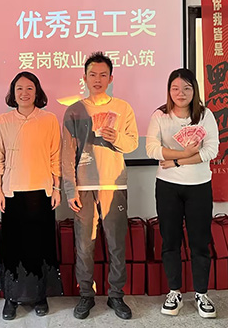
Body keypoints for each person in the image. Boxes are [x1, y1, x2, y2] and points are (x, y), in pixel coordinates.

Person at [62, 52, 138, 320]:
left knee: (116, 243)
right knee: (84, 245)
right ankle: (86, 294)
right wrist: (69, 188)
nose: (97, 79)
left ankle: (116, 295)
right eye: (92, 74)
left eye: (103, 75)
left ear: (111, 78)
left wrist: (116, 137)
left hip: (113, 185)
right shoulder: (74, 110)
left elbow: (132, 144)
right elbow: (67, 154)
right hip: (83, 187)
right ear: (84, 78)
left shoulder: (123, 108)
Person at [0, 71, 62, 320]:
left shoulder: (49, 119)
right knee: (13, 247)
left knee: (40, 245)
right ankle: (11, 298)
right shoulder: (3, 120)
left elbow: (55, 156)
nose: (24, 93)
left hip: (42, 192)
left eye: (30, 88)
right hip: (11, 193)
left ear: (37, 92)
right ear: (13, 93)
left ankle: (40, 296)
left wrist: (57, 188)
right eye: (19, 88)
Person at [145, 68, 219, 319]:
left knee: (200, 242)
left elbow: (211, 151)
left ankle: (201, 293)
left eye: (187, 88)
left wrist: (178, 161)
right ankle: (174, 291)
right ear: (169, 91)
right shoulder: (160, 115)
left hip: (199, 186)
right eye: (175, 88)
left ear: (194, 90)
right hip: (167, 186)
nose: (181, 93)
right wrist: (184, 153)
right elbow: (152, 149)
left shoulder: (205, 115)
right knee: (170, 241)